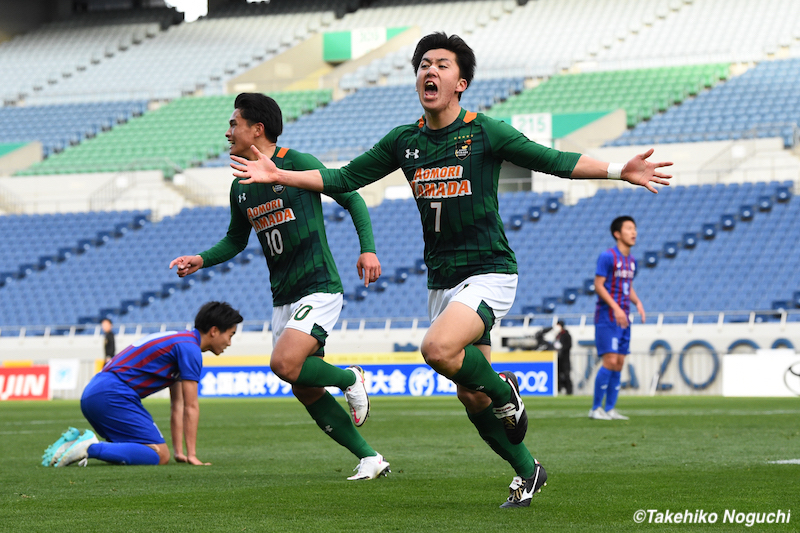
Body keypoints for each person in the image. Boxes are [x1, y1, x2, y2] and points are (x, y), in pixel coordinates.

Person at [229, 32, 672, 507]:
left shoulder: (486, 132)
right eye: (422, 64)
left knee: (437, 348)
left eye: (441, 64)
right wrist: (279, 174)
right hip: (442, 281)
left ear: (461, 82)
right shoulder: (405, 141)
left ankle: (506, 388)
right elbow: (344, 178)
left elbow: (555, 161)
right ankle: (528, 470)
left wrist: (616, 170)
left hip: (489, 270)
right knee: (470, 397)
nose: (429, 70)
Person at [169, 93, 389, 481]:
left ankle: (350, 377)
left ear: (257, 129)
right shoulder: (241, 186)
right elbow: (236, 240)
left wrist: (367, 250)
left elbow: (351, 198)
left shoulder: (296, 163)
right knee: (302, 386)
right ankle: (370, 457)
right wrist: (201, 258)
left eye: (233, 123)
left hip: (318, 286)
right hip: (282, 297)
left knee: (284, 364)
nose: (227, 131)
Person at [42, 301, 243, 468]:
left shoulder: (181, 340)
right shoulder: (190, 348)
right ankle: (88, 447)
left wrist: (180, 453)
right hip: (113, 394)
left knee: (136, 451)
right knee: (159, 455)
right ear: (215, 331)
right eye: (230, 335)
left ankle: (70, 444)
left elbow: (178, 405)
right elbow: (191, 407)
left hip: (95, 392)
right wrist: (192, 455)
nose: (230, 343)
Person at [589, 216, 646, 421]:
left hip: (624, 318)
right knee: (610, 360)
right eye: (629, 228)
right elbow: (598, 285)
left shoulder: (632, 261)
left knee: (620, 362)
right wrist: (616, 308)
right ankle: (596, 408)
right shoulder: (607, 257)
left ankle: (610, 408)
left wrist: (637, 303)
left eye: (635, 228)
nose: (634, 232)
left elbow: (627, 286)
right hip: (607, 316)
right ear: (617, 234)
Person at [555, 320, 573, 395]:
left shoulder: (566, 335)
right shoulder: (557, 335)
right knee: (558, 375)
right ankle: (559, 389)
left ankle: (569, 391)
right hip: (558, 359)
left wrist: (562, 348)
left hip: (565, 359)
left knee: (566, 375)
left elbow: (569, 345)